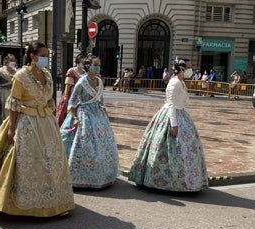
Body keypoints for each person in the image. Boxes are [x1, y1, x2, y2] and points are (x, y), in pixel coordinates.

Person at [0, 42, 74, 217]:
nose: (46, 58)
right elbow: (13, 103)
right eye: (43, 55)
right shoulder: (21, 75)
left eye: (47, 55)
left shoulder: (46, 74)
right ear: (33, 56)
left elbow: (49, 99)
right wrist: (11, 128)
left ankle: (52, 199)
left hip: (46, 123)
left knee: (51, 159)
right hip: (26, 123)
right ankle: (19, 202)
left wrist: (52, 117)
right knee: (27, 159)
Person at [128, 60, 209, 192]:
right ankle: (163, 181)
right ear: (182, 69)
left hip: (181, 113)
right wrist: (174, 125)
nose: (191, 70)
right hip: (171, 116)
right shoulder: (174, 82)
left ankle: (185, 180)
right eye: (188, 67)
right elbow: (171, 104)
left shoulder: (181, 82)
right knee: (167, 147)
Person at [60, 56, 119, 189]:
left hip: (98, 116)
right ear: (88, 66)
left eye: (99, 65)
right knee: (85, 143)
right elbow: (71, 102)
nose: (98, 67)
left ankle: (103, 174)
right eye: (95, 65)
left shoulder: (99, 81)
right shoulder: (81, 82)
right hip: (84, 114)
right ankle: (80, 175)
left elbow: (101, 101)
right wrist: (75, 118)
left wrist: (105, 113)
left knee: (103, 144)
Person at [56, 54, 86, 126]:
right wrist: (66, 96)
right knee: (66, 111)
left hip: (80, 96)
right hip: (71, 94)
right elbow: (68, 85)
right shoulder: (71, 71)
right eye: (81, 61)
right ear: (78, 61)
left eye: (84, 62)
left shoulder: (84, 72)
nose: (83, 63)